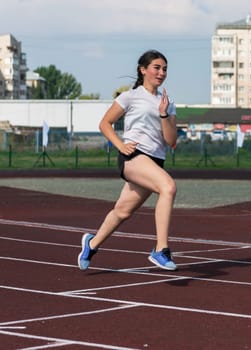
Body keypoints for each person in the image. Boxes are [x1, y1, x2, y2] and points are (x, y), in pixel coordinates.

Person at [78, 50, 178, 271]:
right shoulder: (130, 97)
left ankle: (91, 244)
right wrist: (121, 145)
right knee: (168, 187)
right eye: (157, 67)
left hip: (155, 161)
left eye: (165, 69)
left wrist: (164, 115)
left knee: (122, 211)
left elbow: (171, 141)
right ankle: (161, 250)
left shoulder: (167, 103)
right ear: (143, 70)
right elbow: (105, 123)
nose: (161, 73)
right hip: (133, 157)